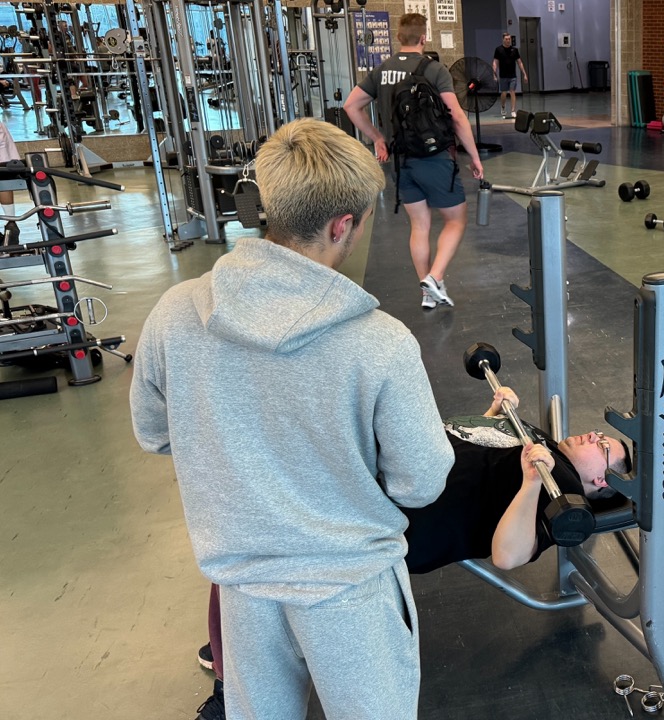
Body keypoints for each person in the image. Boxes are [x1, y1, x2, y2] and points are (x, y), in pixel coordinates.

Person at [130, 118, 456, 720]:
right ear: (342, 225)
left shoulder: (175, 313)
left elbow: (153, 433)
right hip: (352, 592)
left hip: (243, 592)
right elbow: (422, 481)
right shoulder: (380, 342)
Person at [192, 386, 631, 718]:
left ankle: (231, 688)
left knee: (257, 540)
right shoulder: (547, 448)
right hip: (383, 481)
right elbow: (472, 453)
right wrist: (492, 416)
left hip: (390, 521)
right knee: (257, 535)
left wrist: (533, 483)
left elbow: (507, 555)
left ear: (603, 482)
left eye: (605, 447)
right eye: (603, 435)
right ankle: (236, 650)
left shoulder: (561, 494)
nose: (595, 434)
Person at [343, 13, 485, 311]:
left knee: (419, 225)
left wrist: (377, 138)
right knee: (456, 220)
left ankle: (427, 293)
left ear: (398, 38)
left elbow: (351, 105)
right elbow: (458, 117)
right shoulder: (434, 69)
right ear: (424, 38)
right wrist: (474, 156)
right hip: (434, 158)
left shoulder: (381, 71)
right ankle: (434, 277)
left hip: (401, 161)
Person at [492, 33, 527, 119]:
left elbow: (519, 62)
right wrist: (494, 73)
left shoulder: (514, 50)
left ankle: (513, 110)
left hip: (512, 76)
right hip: (503, 75)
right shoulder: (498, 49)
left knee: (512, 92)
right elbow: (495, 62)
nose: (508, 41)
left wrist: (524, 74)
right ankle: (503, 107)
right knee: (504, 92)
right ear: (503, 39)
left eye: (509, 39)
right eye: (506, 39)